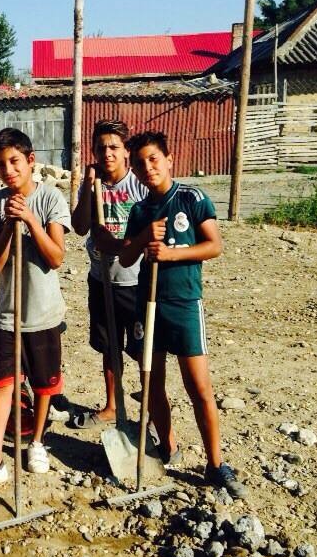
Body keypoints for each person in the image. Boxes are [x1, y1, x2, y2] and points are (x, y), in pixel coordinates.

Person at [119, 131, 247, 498]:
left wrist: (171, 254)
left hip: (184, 304)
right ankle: (168, 444)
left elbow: (214, 246)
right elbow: (126, 257)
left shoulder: (192, 197)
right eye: (140, 163)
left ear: (169, 159)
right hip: (149, 304)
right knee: (152, 382)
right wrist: (144, 237)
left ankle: (215, 463)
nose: (148, 168)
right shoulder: (140, 211)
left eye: (154, 159)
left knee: (199, 387)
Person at [0, 128, 71, 493]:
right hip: (9, 312)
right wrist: (8, 223)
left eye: (15, 162)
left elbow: (55, 257)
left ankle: (37, 442)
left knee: (43, 383)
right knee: (4, 384)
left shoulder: (51, 198)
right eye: (1, 165)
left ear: (31, 161)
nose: (8, 170)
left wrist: (31, 222)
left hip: (43, 310)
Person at [69, 119, 148, 428]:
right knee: (109, 347)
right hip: (101, 280)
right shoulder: (92, 185)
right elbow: (79, 227)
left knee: (142, 351)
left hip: (135, 282)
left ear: (126, 151)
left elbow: (147, 236)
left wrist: (114, 244)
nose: (107, 153)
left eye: (114, 147)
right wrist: (88, 187)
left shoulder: (138, 185)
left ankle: (151, 411)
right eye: (101, 148)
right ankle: (113, 405)